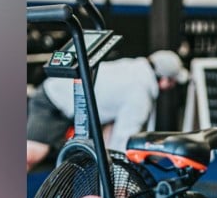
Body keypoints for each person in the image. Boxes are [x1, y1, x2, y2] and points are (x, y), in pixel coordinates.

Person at [27, 50, 189, 171]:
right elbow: (121, 144)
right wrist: (120, 182)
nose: (172, 86)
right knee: (32, 155)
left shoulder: (133, 67)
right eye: (173, 82)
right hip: (53, 100)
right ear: (164, 80)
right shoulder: (139, 95)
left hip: (69, 103)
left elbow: (110, 136)